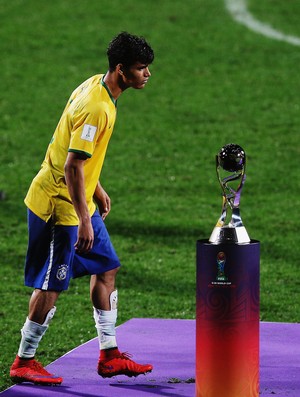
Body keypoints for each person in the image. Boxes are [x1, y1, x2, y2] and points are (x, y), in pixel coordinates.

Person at [10, 32, 154, 386]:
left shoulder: (97, 86)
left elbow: (70, 148)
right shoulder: (97, 107)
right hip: (60, 208)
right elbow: (73, 166)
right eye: (140, 68)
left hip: (80, 200)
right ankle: (23, 361)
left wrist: (97, 188)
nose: (147, 74)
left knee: (107, 268)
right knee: (51, 283)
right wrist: (83, 220)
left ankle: (109, 355)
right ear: (121, 70)